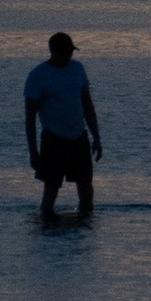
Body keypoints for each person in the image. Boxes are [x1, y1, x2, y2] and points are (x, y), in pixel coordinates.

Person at [24, 30, 102, 219]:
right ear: (53, 51)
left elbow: (87, 105)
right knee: (51, 189)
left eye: (71, 51)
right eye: (65, 52)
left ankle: (85, 225)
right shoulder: (38, 76)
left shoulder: (78, 69)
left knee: (86, 188)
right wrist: (34, 153)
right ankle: (47, 225)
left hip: (79, 136)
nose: (69, 55)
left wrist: (96, 138)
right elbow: (30, 118)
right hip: (53, 139)